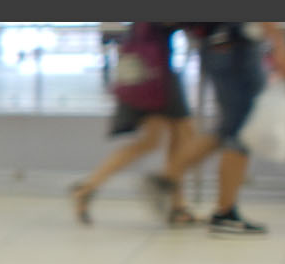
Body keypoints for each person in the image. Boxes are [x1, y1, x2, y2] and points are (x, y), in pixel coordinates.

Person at [142, 22, 285, 236]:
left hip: (218, 44)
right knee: (241, 129)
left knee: (231, 127)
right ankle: (224, 211)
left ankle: (168, 178)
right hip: (236, 46)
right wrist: (278, 43)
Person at [68, 22, 201, 227]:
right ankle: (171, 196)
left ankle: (87, 188)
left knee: (155, 140)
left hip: (149, 69)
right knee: (183, 134)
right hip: (157, 73)